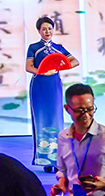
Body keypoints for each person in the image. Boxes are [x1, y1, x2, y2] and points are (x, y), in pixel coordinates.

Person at [26, 14, 75, 172]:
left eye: (50, 28)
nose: (47, 31)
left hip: (54, 85)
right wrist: (42, 72)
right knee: (41, 119)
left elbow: (74, 61)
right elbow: (28, 67)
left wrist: (59, 67)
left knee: (56, 120)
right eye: (44, 29)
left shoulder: (58, 48)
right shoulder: (34, 47)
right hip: (39, 85)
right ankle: (45, 159)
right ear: (39, 31)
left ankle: (58, 160)